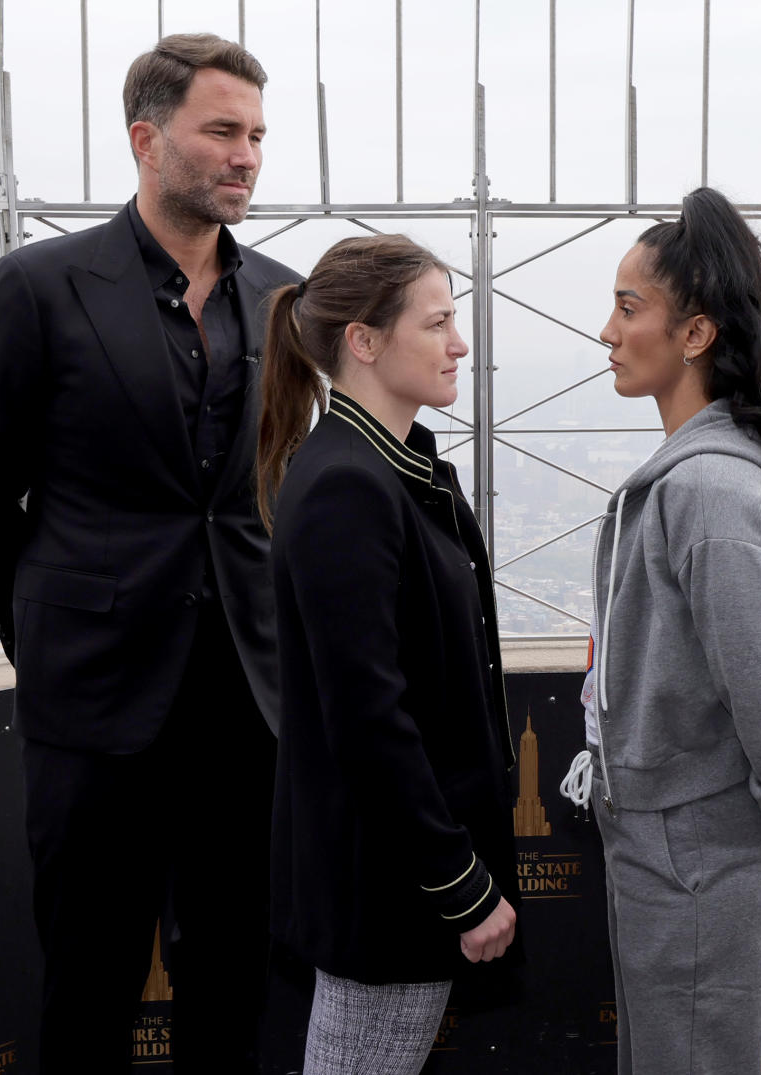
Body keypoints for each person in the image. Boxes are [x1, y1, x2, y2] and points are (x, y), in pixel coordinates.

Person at [0, 34, 298, 1074]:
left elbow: (280, 484)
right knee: (87, 985)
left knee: (232, 982)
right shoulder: (38, 286)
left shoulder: (284, 295)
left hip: (245, 705)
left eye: (258, 137)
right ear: (147, 139)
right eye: (222, 131)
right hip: (93, 707)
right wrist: (49, 631)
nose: (246, 156)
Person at [580, 186, 761, 1074]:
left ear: (695, 333)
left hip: (696, 856)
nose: (608, 331)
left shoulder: (708, 491)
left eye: (630, 307)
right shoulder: (719, 474)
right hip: (686, 848)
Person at [256, 234, 520, 1075]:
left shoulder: (391, 466)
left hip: (399, 880)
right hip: (390, 892)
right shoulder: (348, 483)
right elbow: (368, 721)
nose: (459, 342)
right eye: (437, 322)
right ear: (364, 341)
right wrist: (460, 884)